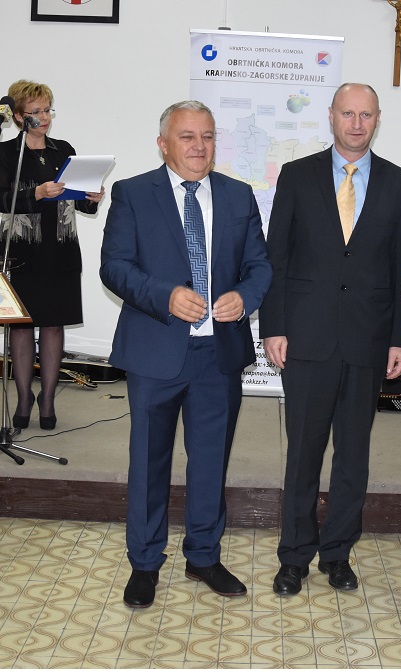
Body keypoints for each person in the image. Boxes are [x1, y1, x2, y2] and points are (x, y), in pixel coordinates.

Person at [100, 100, 272, 609]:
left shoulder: (238, 195)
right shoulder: (133, 193)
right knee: (148, 463)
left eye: (208, 136)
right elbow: (115, 266)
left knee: (211, 462)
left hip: (217, 355)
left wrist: (245, 297)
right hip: (155, 351)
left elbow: (260, 266)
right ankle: (144, 562)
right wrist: (165, 295)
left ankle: (203, 555)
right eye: (188, 137)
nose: (200, 146)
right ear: (163, 144)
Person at [260, 83, 401, 596]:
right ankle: (294, 556)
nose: (356, 124)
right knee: (303, 453)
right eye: (348, 113)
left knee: (353, 456)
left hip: (368, 341)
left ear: (378, 119)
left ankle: (338, 553)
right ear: (330, 116)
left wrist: (399, 339)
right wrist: (274, 326)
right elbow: (277, 257)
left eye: (365, 115)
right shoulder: (297, 175)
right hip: (307, 338)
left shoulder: (400, 183)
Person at [0, 80, 104, 431]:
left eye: (47, 110)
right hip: (21, 252)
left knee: (54, 323)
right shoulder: (6, 154)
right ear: (18, 116)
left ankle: (47, 398)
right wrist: (37, 193)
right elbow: (2, 200)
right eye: (36, 112)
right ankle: (23, 398)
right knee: (22, 327)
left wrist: (91, 198)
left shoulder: (63, 150)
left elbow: (79, 202)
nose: (44, 117)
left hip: (60, 250)